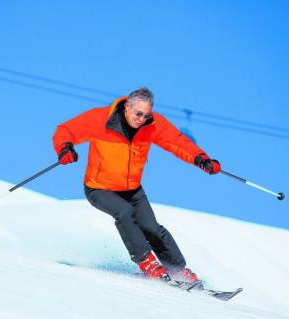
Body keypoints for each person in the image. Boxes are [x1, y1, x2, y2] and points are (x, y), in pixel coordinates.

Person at [52, 87, 221, 283]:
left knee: (151, 227)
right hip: (99, 188)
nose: (141, 119)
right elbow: (66, 131)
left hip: (132, 190)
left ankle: (178, 270)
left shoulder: (152, 125)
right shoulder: (101, 119)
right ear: (127, 107)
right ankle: (146, 263)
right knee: (124, 212)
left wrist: (202, 159)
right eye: (138, 113)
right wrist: (64, 148)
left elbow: (177, 142)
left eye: (146, 115)